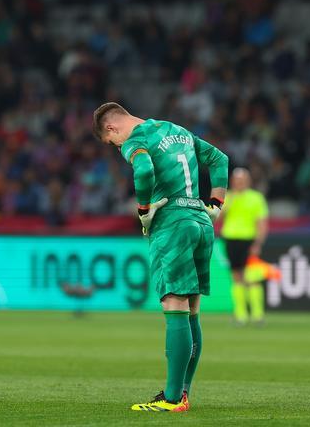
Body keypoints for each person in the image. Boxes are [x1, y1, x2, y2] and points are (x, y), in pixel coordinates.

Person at [92, 102, 228, 412]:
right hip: (200, 220)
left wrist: (144, 210)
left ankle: (171, 398)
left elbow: (143, 169)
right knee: (192, 310)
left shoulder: (136, 140)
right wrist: (216, 205)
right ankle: (182, 393)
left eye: (111, 142)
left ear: (111, 129)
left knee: (174, 304)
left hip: (173, 224)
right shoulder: (176, 131)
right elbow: (219, 159)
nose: (116, 147)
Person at [220, 168, 269, 325]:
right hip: (231, 239)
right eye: (236, 180)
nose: (239, 183)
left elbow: (262, 223)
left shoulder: (256, 198)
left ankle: (257, 315)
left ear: (248, 181)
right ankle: (241, 315)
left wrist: (258, 243)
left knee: (253, 278)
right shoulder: (228, 197)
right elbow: (218, 217)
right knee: (236, 276)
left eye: (242, 180)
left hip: (249, 240)